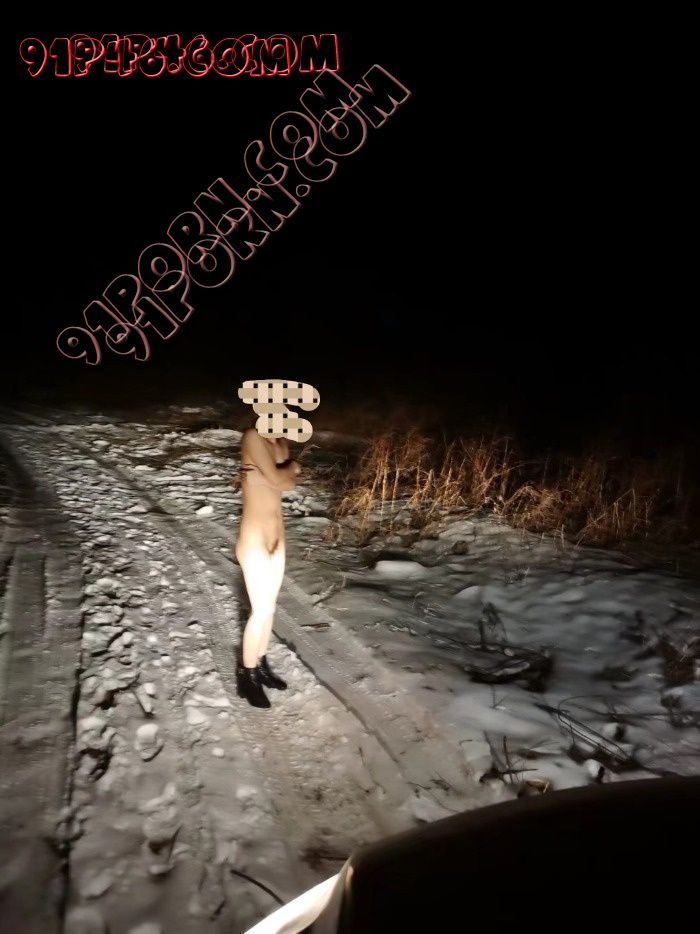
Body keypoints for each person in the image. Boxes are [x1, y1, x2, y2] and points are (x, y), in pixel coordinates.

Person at [234, 424, 301, 708]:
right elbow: (281, 480)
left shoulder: (280, 442)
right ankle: (246, 676)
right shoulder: (253, 437)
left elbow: (287, 483)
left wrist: (284, 472)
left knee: (269, 610)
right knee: (260, 611)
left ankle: (260, 665)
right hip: (254, 540)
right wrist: (290, 469)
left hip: (277, 539)